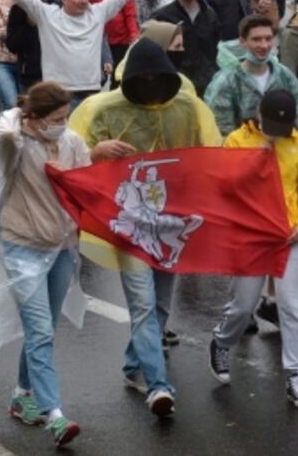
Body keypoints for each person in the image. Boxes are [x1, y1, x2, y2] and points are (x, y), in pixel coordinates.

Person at [71, 38, 222, 418]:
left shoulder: (186, 109)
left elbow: (211, 156)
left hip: (169, 225)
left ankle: (132, 365)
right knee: (142, 304)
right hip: (129, 227)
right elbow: (70, 159)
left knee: (159, 305)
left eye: (158, 78)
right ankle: (158, 385)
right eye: (145, 78)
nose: (152, 84)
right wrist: (96, 153)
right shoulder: (103, 110)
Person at [0, 82, 91, 447]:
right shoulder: (15, 144)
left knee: (43, 330)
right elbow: (1, 136)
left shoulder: (73, 143)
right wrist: (21, 114)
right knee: (41, 330)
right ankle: (55, 415)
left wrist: (70, 177)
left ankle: (21, 394)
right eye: (55, 118)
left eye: (65, 117)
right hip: (23, 247)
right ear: (35, 117)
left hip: (62, 247)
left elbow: (87, 185)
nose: (62, 124)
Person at [209, 89, 298, 406]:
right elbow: (224, 184)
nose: (277, 133)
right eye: (272, 125)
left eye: (283, 128)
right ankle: (221, 341)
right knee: (243, 306)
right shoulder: (237, 141)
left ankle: (296, 375)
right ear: (259, 113)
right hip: (251, 236)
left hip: (289, 237)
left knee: (293, 306)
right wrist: (257, 157)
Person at [0, 0, 160, 106]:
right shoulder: (47, 14)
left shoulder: (98, 13)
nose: (84, 1)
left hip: (91, 93)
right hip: (57, 94)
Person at [205, 14, 298, 149]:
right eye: (256, 39)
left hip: (284, 155)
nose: (264, 45)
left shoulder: (284, 76)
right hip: (244, 156)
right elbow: (222, 131)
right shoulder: (227, 82)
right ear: (243, 41)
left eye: (268, 39)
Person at [151, 0, 222, 95]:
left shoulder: (210, 15)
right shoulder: (162, 16)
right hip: (176, 84)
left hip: (207, 83)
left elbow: (215, 48)